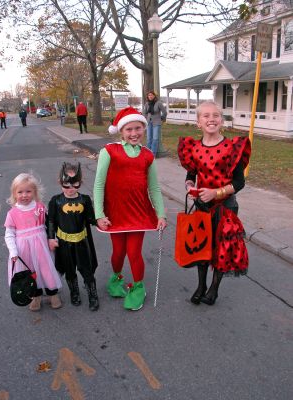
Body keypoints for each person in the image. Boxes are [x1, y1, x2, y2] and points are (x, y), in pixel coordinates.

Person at [178, 101, 251, 306]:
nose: (211, 119)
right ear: (198, 122)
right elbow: (191, 174)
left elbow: (239, 182)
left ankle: (214, 289)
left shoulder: (231, 148)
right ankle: (201, 286)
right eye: (206, 116)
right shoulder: (193, 148)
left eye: (216, 115)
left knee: (221, 249)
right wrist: (190, 188)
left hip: (225, 208)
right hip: (202, 207)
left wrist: (216, 192)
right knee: (201, 248)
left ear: (222, 120)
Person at [93, 106, 167, 311]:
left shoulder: (148, 155)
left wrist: (161, 214)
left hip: (139, 213)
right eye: (129, 129)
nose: (134, 133)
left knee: (134, 252)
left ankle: (137, 288)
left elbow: (154, 187)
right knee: (118, 252)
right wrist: (99, 214)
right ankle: (116, 280)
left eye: (138, 128)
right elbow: (99, 184)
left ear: (144, 128)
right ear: (121, 131)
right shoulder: (109, 151)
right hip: (115, 213)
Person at [4, 173, 62, 311]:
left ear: (35, 192)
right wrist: (13, 251)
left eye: (28, 191)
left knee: (46, 269)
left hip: (41, 246)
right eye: (20, 192)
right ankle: (35, 295)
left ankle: (52, 293)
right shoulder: (12, 213)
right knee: (30, 273)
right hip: (23, 250)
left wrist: (52, 238)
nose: (24, 195)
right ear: (14, 193)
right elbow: (9, 234)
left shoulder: (40, 207)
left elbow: (49, 225)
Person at [47, 162, 99, 311]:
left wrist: (100, 222)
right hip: (64, 244)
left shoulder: (84, 200)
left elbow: (90, 218)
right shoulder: (55, 201)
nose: (70, 189)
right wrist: (51, 237)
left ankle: (92, 295)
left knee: (87, 270)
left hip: (82, 242)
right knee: (69, 271)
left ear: (80, 183)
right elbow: (51, 221)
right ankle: (74, 292)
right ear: (60, 183)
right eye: (66, 185)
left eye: (75, 185)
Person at [142, 91, 167, 157]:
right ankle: (147, 153)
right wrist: (145, 119)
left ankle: (153, 154)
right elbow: (144, 113)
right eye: (149, 95)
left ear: (154, 96)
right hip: (149, 122)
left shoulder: (158, 103)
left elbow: (164, 112)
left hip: (156, 122)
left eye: (151, 95)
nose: (150, 96)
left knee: (155, 138)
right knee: (148, 138)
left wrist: (162, 118)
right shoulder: (147, 103)